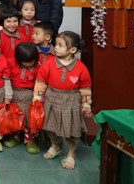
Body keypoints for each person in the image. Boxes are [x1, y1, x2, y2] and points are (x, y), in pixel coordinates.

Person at [34, 31, 92, 170]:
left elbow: (85, 89)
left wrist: (86, 105)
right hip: (52, 99)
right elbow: (41, 82)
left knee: (72, 129)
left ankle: (71, 153)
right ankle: (56, 145)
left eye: (60, 45)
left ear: (72, 50)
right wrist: (37, 98)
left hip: (71, 102)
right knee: (50, 127)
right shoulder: (48, 64)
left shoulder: (81, 68)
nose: (56, 47)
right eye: (56, 44)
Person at [4, 42, 40, 154]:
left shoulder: (38, 67)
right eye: (26, 62)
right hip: (13, 93)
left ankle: (29, 139)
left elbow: (39, 83)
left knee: (29, 118)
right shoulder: (10, 62)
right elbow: (6, 78)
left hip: (29, 95)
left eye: (32, 62)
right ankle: (15, 136)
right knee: (14, 117)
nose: (29, 64)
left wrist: (37, 97)